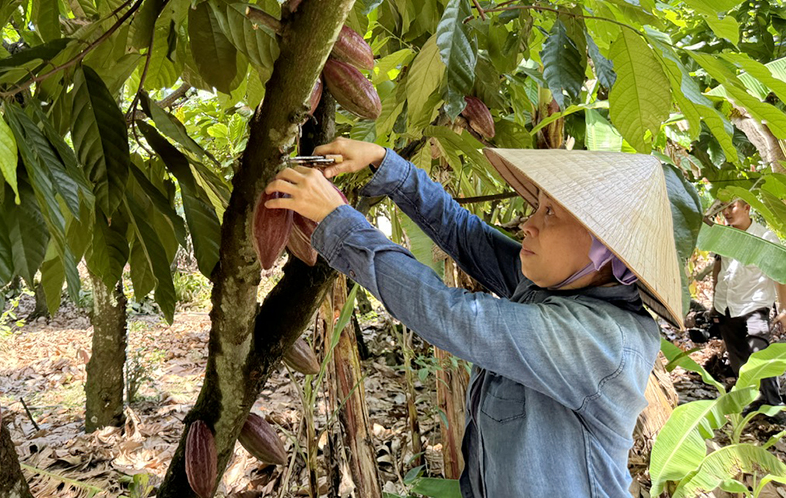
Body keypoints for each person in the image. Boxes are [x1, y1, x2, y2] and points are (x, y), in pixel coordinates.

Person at [264, 138, 683, 498]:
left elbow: (450, 314)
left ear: (602, 250)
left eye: (550, 214)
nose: (528, 223)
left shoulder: (600, 340)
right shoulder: (557, 286)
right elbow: (465, 234)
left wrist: (338, 220)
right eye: (537, 207)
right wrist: (383, 162)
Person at [711, 199, 786, 412]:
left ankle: (773, 404)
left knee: (758, 352)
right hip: (726, 305)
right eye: (723, 208)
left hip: (755, 304)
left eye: (731, 207)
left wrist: (783, 310)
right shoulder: (724, 235)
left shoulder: (765, 238)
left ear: (747, 208)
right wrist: (714, 302)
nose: (726, 212)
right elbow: (719, 267)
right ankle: (751, 402)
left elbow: (780, 276)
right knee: (738, 357)